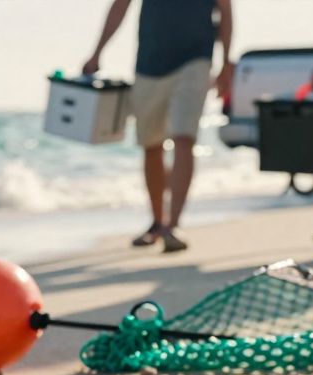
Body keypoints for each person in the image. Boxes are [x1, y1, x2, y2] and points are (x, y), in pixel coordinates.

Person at [83, 0, 234, 252]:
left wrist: (226, 62)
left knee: (184, 137)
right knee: (151, 144)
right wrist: (97, 52)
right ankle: (157, 222)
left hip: (195, 60)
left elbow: (226, 10)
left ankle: (173, 226)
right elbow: (120, 5)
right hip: (149, 63)